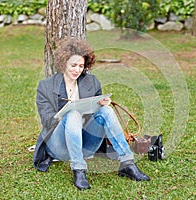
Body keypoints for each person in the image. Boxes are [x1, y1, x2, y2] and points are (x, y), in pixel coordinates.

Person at [33, 37, 150, 190]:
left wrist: (100, 104)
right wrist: (64, 115)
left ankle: (127, 164)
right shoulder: (46, 86)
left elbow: (96, 115)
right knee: (73, 114)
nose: (77, 70)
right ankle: (78, 170)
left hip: (85, 142)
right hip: (59, 144)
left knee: (106, 111)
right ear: (63, 63)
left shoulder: (91, 82)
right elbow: (47, 121)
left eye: (81, 66)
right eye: (73, 65)